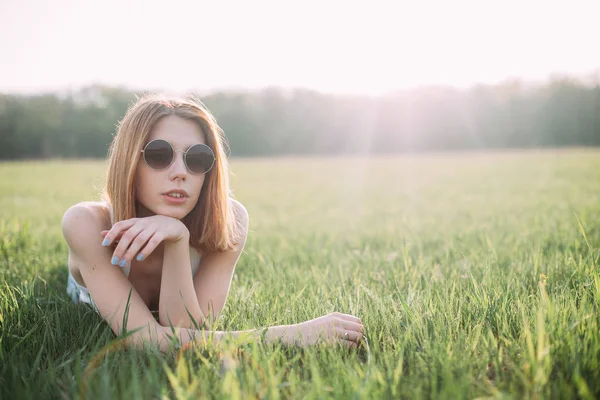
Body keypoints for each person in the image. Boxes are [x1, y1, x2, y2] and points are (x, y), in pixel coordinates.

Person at [62, 94, 364, 352]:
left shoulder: (228, 220)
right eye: (159, 154)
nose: (180, 172)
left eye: (197, 159)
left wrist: (178, 239)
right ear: (129, 161)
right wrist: (293, 334)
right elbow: (146, 340)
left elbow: (188, 329)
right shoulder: (85, 222)